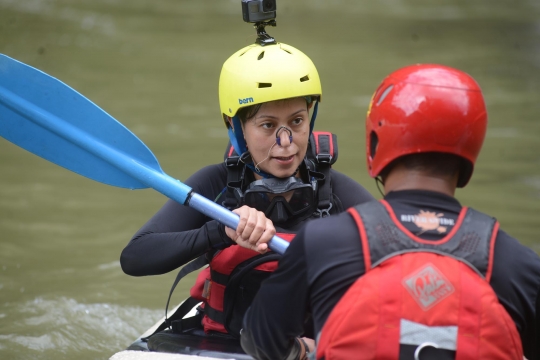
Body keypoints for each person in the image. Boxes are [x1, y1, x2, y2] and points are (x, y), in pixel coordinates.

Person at [240, 64, 540, 360]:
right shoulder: (519, 266)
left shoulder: (322, 243)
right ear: (471, 152)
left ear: (374, 146)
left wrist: (307, 350)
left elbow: (260, 342)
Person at [120, 40, 374, 339]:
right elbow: (135, 257)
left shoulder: (335, 192)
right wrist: (219, 232)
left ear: (311, 118)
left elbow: (402, 257)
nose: (286, 141)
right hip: (225, 342)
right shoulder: (214, 186)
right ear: (236, 125)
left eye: (297, 121)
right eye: (267, 125)